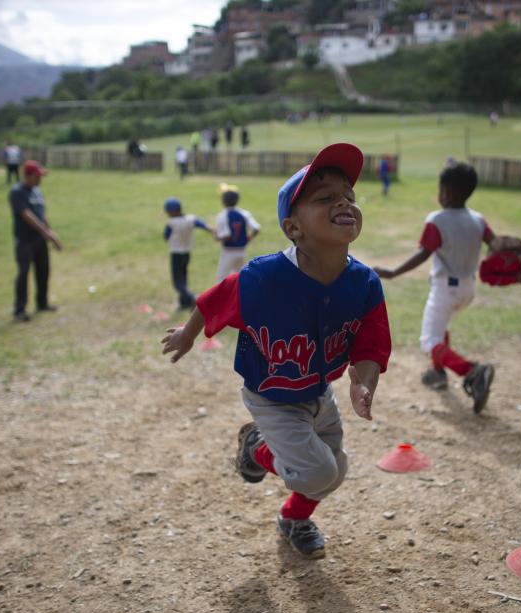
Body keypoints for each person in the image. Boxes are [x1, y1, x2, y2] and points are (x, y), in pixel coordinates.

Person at [161, 143, 391, 559]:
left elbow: (371, 343)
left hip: (319, 390)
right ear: (294, 228)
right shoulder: (261, 279)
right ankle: (257, 446)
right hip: (271, 397)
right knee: (317, 470)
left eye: (348, 196)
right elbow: (213, 300)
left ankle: (294, 519)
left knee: (335, 471)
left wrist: (365, 381)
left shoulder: (364, 284)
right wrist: (188, 333)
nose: (342, 201)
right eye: (324, 198)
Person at [373, 162, 497, 414]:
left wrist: (393, 272)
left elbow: (423, 254)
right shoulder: (478, 220)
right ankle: (438, 373)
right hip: (468, 289)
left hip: (445, 289)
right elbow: (496, 244)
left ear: (447, 193)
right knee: (441, 331)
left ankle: (471, 370)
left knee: (429, 340)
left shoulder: (437, 220)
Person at [9, 160, 62, 322]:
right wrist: (47, 233)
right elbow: (27, 215)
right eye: (37, 176)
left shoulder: (37, 191)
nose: (40, 179)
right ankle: (19, 310)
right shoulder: (17, 192)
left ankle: (42, 303)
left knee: (43, 271)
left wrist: (49, 230)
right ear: (28, 175)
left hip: (40, 239)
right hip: (25, 240)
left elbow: (42, 213)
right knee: (24, 274)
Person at [162, 197, 212, 311]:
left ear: (172, 211)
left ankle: (193, 298)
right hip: (186, 253)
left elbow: (165, 236)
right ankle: (184, 303)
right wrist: (212, 230)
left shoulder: (171, 223)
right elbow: (202, 225)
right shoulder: (191, 219)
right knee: (183, 278)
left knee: (177, 283)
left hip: (176, 254)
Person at [213, 183, 260, 282]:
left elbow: (226, 235)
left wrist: (216, 236)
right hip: (242, 250)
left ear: (223, 201)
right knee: (239, 277)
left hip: (228, 252)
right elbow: (256, 228)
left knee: (222, 278)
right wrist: (248, 238)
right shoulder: (244, 213)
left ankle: (224, 297)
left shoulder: (222, 215)